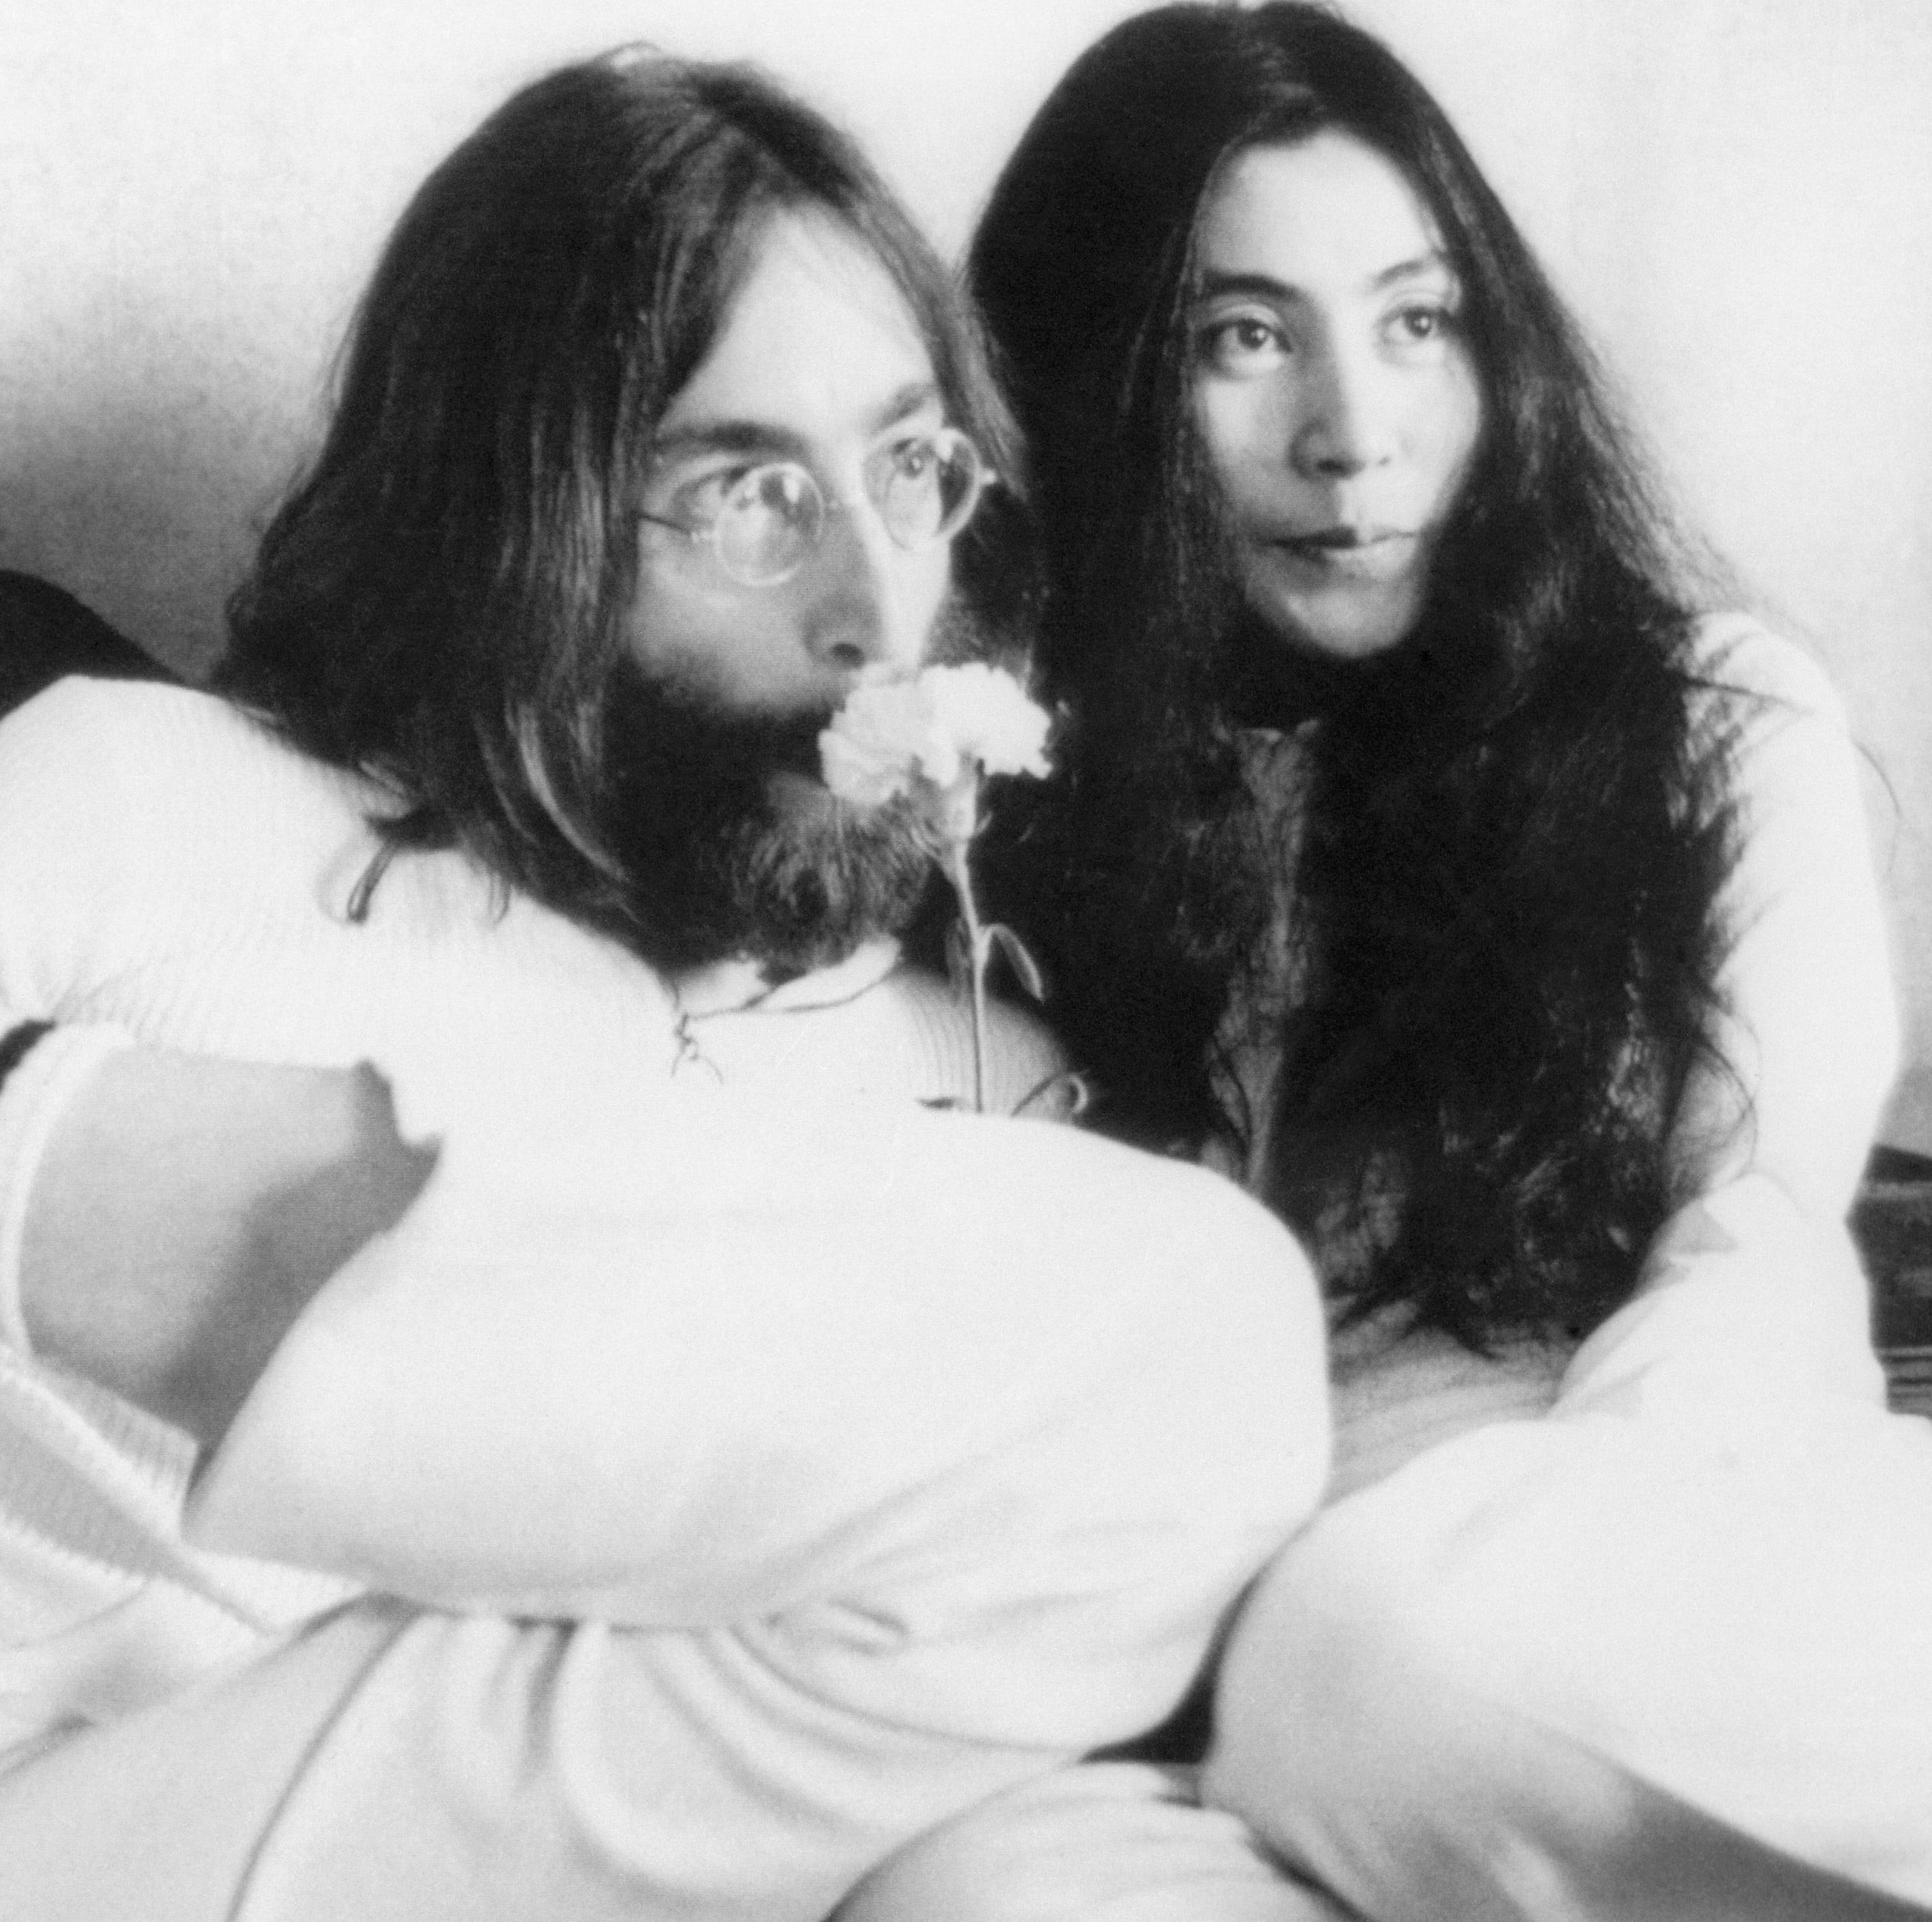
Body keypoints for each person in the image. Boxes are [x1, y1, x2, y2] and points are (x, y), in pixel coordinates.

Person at [0, 47, 1329, 1921]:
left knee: (1196, 1346)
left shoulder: (982, 1079)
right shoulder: (146, 795)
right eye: (750, 492)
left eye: (909, 466)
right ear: (519, 517)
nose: (880, 604)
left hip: (497, 1853)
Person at [839, 5, 1932, 1918]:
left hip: (1631, 1552)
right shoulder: (965, 795)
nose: (1356, 433)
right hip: (1172, 1711)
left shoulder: (1707, 720)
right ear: (1090, 379)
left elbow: (1750, 1240)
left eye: (1419, 320)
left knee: (1407, 1648)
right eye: (1243, 339)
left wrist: (1551, 1567)